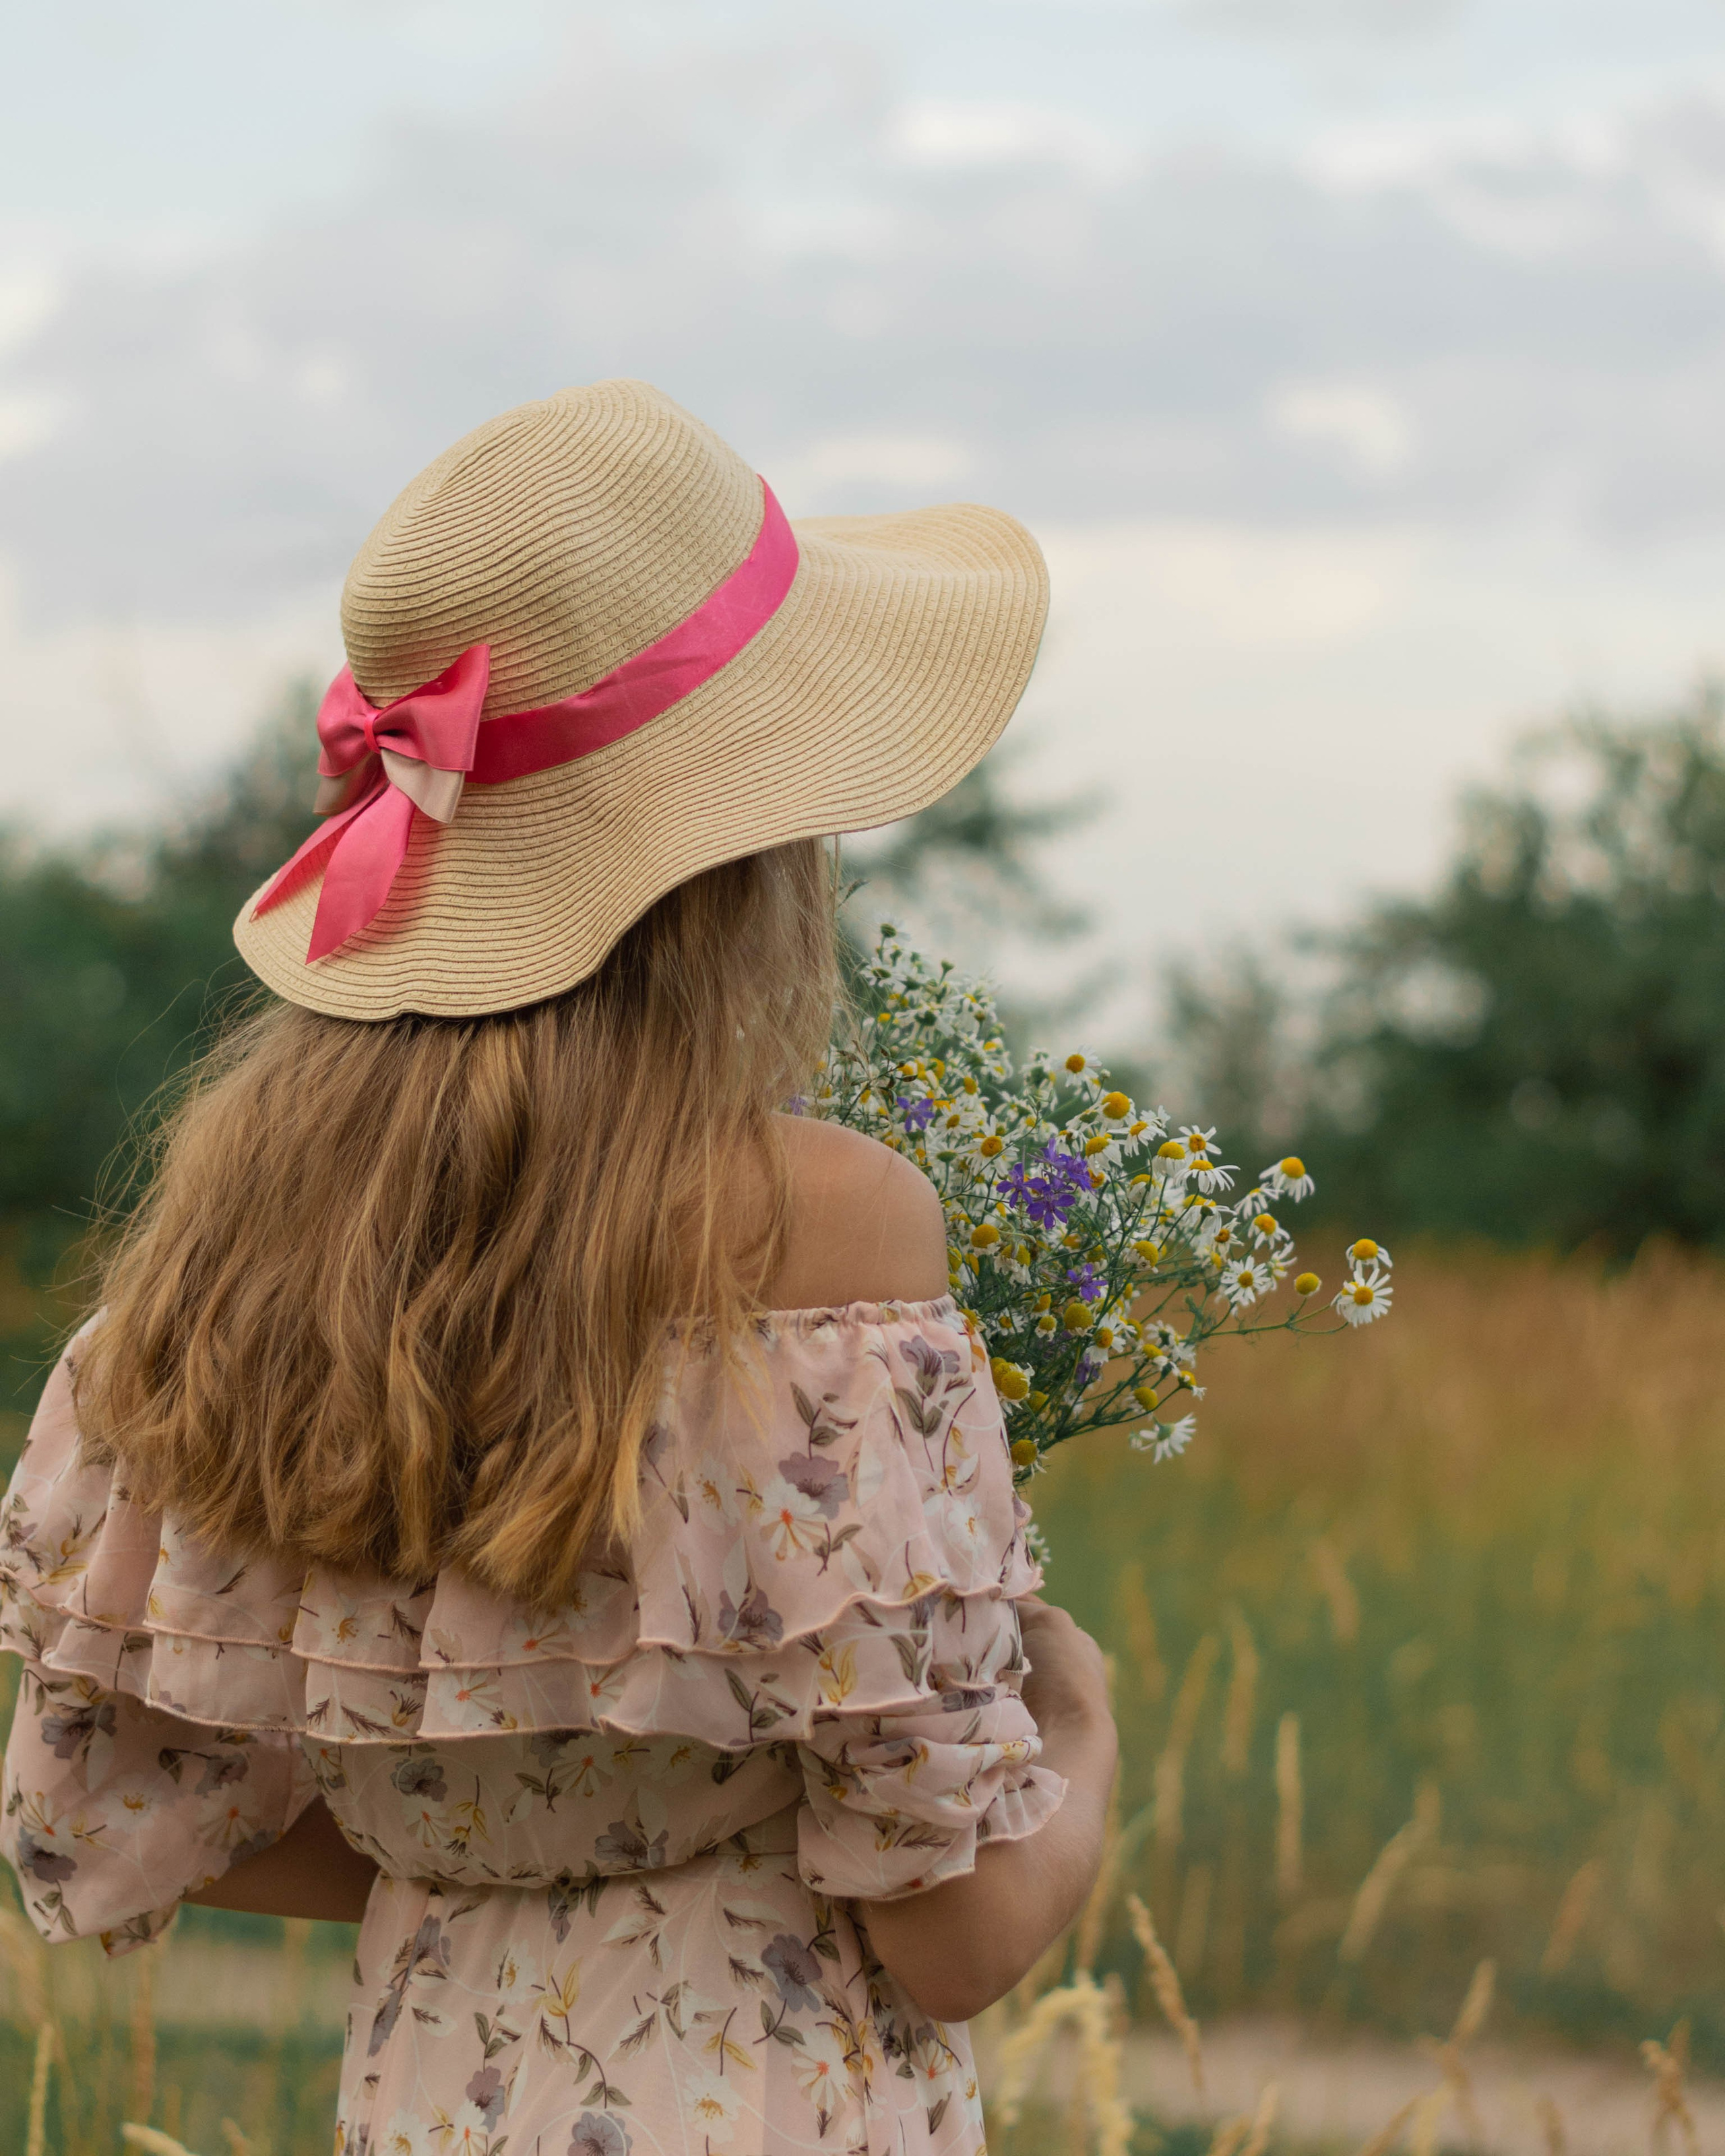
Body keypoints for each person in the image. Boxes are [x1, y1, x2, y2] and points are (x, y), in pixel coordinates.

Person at [0, 380, 1117, 2156]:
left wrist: (489, 1841)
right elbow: (956, 1937)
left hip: (428, 2097)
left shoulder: (229, 1270)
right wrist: (1083, 1726)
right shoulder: (828, 1230)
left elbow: (114, 1818)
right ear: (750, 857)